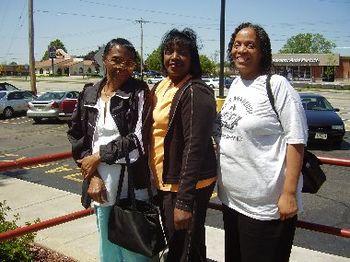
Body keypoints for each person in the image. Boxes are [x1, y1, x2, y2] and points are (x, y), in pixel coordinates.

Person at [214, 22, 308, 262]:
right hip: (232, 202)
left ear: (262, 51)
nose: (241, 50)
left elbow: (296, 141)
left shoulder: (277, 85)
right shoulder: (236, 84)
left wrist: (289, 193)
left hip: (266, 209)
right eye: (237, 45)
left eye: (250, 45)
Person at [67, 38, 152, 262]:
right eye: (116, 60)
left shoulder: (138, 92)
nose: (122, 67)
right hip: (100, 184)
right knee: (108, 248)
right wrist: (92, 175)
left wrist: (99, 156)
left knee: (135, 249)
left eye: (130, 63)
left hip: (131, 183)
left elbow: (138, 138)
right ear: (104, 60)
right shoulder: (89, 93)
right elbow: (77, 136)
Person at [147, 28, 217, 261]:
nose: (174, 57)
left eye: (182, 52)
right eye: (169, 51)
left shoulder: (197, 92)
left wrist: (185, 202)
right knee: (184, 247)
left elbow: (194, 148)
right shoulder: (161, 86)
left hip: (185, 187)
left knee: (183, 251)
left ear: (192, 58)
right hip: (164, 181)